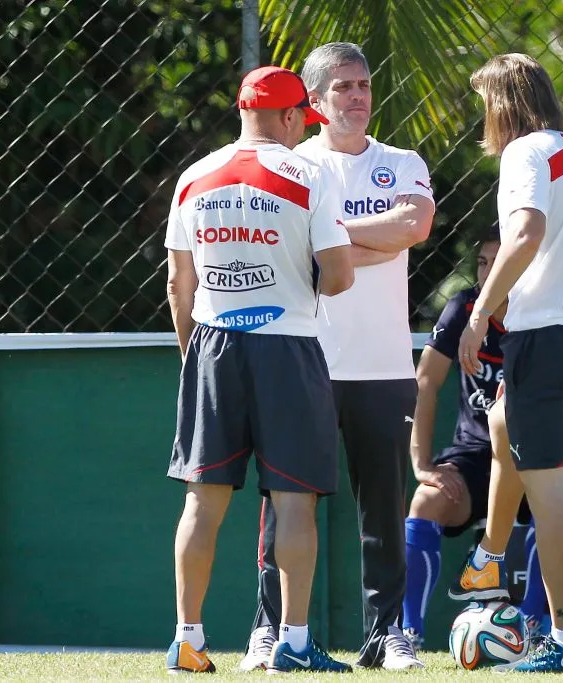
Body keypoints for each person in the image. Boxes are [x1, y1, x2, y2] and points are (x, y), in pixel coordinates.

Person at [238, 43, 434, 672]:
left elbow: (414, 228)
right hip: (304, 362)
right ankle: (269, 632)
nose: (358, 97)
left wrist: (332, 239)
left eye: (365, 85)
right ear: (314, 104)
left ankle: (389, 635)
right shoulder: (292, 168)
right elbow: (298, 252)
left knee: (384, 507)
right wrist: (369, 238)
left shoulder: (403, 162)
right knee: (285, 503)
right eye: (344, 87)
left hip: (382, 368)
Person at [163, 65, 354, 674]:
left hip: (214, 343)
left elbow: (177, 283)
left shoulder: (194, 177)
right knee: (295, 502)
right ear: (294, 116)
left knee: (203, 500)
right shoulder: (308, 174)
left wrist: (192, 349)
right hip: (288, 346)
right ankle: (293, 644)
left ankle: (187, 641)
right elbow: (341, 273)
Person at [448, 53, 563, 673]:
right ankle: (490, 557)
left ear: (504, 105)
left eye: (485, 106)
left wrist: (478, 313)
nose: (483, 121)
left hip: (545, 340)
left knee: (549, 498)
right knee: (502, 423)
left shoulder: (526, 153)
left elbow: (524, 234)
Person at [400, 233, 563, 648]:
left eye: (496, 262)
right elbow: (426, 383)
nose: (488, 272)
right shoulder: (464, 308)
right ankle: (409, 633)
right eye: (482, 263)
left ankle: (538, 625)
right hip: (475, 453)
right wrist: (422, 464)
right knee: (425, 501)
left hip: (536, 447)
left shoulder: (544, 312)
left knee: (556, 496)